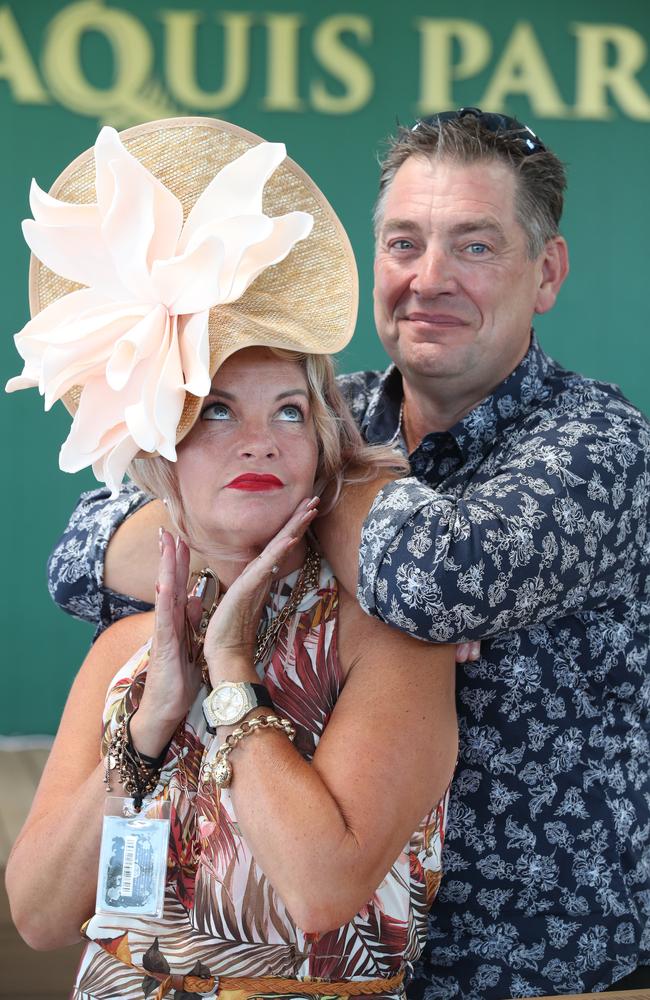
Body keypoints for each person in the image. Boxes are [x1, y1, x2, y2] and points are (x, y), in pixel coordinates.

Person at [44, 108, 650, 997]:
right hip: (308, 970)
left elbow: (437, 582)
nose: (429, 278)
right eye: (404, 243)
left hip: (548, 972)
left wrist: (290, 506)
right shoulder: (326, 416)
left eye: (474, 246)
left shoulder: (598, 446)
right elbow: (85, 550)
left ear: (546, 271)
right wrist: (303, 517)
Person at [5, 118, 458, 1000]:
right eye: (216, 409)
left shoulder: (388, 642)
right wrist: (148, 721)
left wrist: (228, 671)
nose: (259, 440)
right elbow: (38, 916)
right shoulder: (125, 654)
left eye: (290, 411)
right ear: (160, 447)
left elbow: (324, 889)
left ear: (324, 442)